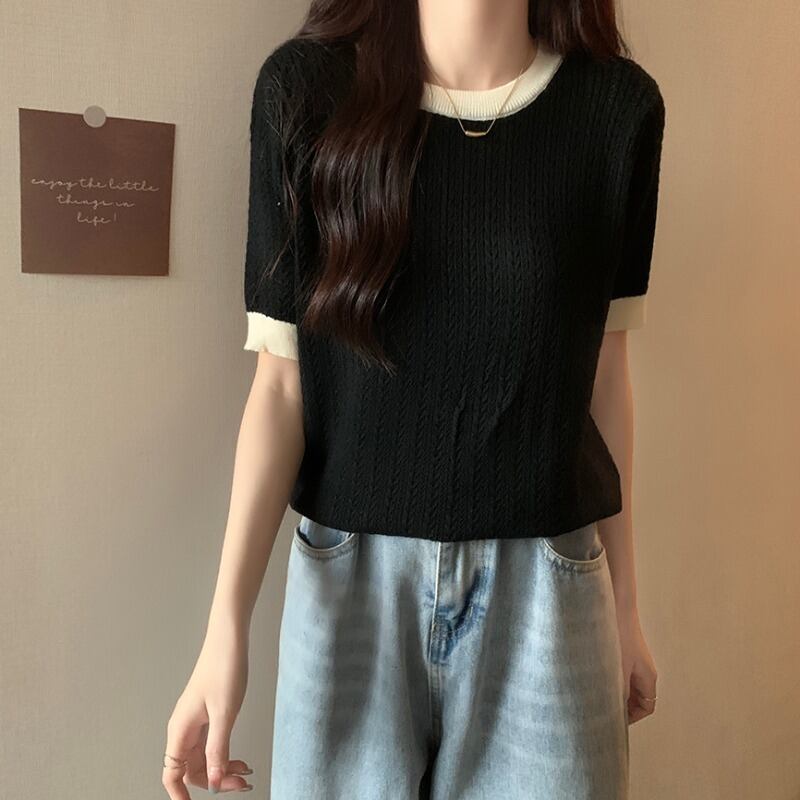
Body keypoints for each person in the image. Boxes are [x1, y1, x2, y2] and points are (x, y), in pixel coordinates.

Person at [162, 1, 666, 798]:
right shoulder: (305, 94)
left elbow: (604, 374)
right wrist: (224, 631)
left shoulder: (616, 112)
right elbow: (282, 384)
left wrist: (626, 608)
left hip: (547, 595)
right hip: (351, 589)